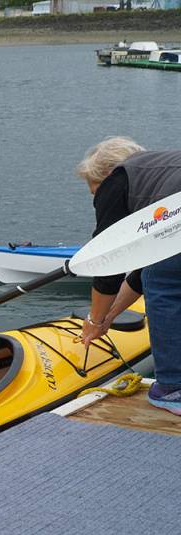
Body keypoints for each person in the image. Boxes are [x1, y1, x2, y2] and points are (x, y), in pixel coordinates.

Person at [75, 136, 181, 416]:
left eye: (94, 192)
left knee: (163, 286)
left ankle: (172, 389)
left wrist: (94, 320)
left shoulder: (118, 180)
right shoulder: (159, 172)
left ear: (106, 174)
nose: (96, 199)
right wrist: (109, 317)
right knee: (160, 273)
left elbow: (108, 266)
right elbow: (142, 269)